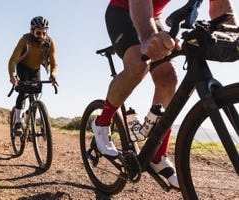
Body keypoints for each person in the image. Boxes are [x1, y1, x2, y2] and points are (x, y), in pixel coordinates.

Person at [92, 0, 238, 188]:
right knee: (139, 64)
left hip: (155, 15)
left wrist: (234, 34)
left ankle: (157, 155)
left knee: (169, 77)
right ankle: (102, 123)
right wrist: (147, 37)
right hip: (122, 10)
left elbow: (220, 5)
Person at [8, 16, 58, 134]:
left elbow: (54, 63)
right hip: (22, 67)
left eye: (44, 33)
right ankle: (18, 122)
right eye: (38, 33)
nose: (41, 36)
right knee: (23, 91)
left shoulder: (50, 43)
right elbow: (13, 60)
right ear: (32, 31)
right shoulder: (25, 39)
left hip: (36, 69)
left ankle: (31, 123)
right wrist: (13, 75)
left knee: (35, 95)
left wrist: (53, 75)